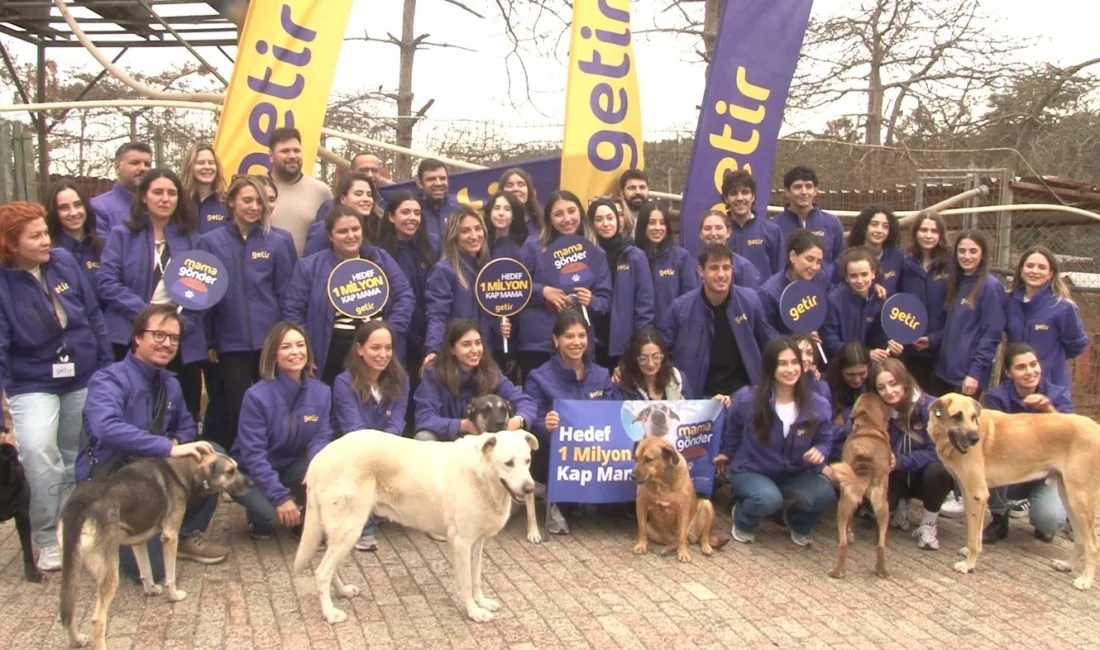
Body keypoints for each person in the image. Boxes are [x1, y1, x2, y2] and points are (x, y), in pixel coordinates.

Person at [0, 201, 112, 572]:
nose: (47, 240)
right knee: (37, 452)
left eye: (45, 231)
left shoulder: (63, 261)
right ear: (11, 244)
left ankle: (70, 529)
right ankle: (45, 536)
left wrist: (106, 367)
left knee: (71, 456)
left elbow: (92, 314)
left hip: (80, 372)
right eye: (35, 236)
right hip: (32, 381)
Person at [79, 305, 230, 580]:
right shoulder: (108, 379)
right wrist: (168, 448)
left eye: (173, 338)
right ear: (137, 337)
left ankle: (183, 532)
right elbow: (106, 427)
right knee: (152, 573)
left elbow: (186, 426)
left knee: (213, 454)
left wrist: (177, 442)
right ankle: (104, 530)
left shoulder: (169, 383)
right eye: (159, 335)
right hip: (115, 482)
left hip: (155, 476)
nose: (167, 344)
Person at [97, 168, 206, 421]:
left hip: (181, 337)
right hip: (130, 332)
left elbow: (203, 291)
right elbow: (108, 282)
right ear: (144, 197)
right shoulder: (122, 236)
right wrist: (147, 316)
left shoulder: (193, 241)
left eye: (172, 193)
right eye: (157, 192)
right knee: (131, 409)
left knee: (183, 410)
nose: (165, 199)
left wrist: (178, 324)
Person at [198, 176, 297, 450]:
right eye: (247, 200)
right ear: (231, 202)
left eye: (259, 202)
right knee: (238, 409)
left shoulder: (279, 241)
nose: (254, 207)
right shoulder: (210, 242)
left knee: (275, 405)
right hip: (230, 343)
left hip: (270, 342)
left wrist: (286, 337)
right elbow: (203, 295)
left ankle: (274, 464)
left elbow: (288, 292)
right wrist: (208, 340)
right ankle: (243, 464)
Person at [716, 336, 836, 546]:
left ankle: (797, 522)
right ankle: (743, 518)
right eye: (782, 363)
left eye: (794, 362)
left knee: (826, 493)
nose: (790, 369)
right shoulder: (748, 399)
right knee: (767, 499)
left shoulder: (819, 405)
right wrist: (728, 452)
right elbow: (733, 425)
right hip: (752, 469)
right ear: (771, 367)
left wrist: (820, 450)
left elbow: (826, 438)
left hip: (795, 472)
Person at [283, 205, 415, 384]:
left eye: (355, 229)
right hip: (331, 350)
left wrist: (391, 331)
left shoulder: (380, 258)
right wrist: (305, 349)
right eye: (343, 231)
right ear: (330, 235)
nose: (351, 236)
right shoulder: (308, 267)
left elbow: (405, 295)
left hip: (378, 347)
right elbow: (293, 311)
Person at [231, 322, 332, 539]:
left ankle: (302, 513)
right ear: (273, 355)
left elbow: (321, 436)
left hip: (293, 467)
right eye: (286, 347)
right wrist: (279, 498)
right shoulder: (256, 396)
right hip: (252, 472)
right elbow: (253, 455)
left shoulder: (322, 393)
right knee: (270, 520)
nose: (295, 352)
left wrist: (316, 465)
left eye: (300, 345)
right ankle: (261, 513)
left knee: (326, 462)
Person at [525, 309, 614, 535]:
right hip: (555, 455)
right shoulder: (538, 377)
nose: (577, 342)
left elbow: (614, 414)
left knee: (616, 509)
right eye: (569, 336)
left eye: (582, 336)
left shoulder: (602, 375)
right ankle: (552, 497)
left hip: (596, 454)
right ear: (556, 340)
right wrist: (544, 425)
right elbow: (531, 417)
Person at [658, 244, 776, 399]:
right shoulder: (680, 309)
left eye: (726, 267)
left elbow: (769, 342)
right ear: (701, 271)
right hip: (698, 396)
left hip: (744, 391)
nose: (721, 274)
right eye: (714, 268)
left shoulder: (750, 301)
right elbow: (660, 351)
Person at [981, 343, 1072, 544]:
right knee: (989, 462)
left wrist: (1048, 409)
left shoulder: (1058, 394)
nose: (1030, 372)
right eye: (1021, 367)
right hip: (1009, 469)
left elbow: (1067, 437)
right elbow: (994, 441)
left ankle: (1048, 516)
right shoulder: (997, 397)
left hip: (1046, 471)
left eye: (1033, 364)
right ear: (1008, 372)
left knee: (1049, 523)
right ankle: (999, 518)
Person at [514, 191, 611, 376]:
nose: (567, 219)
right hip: (537, 344)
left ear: (580, 214)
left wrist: (591, 301)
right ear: (549, 219)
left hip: (578, 345)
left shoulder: (595, 254)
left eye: (571, 211)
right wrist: (542, 291)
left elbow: (605, 301)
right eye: (558, 214)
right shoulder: (533, 248)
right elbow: (512, 288)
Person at [331, 320, 409, 551]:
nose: (383, 354)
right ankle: (363, 527)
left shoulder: (401, 379)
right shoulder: (343, 382)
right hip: (355, 450)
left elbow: (397, 421)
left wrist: (386, 450)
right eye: (375, 348)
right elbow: (353, 429)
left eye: (388, 348)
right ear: (359, 349)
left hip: (388, 447)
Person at [868, 358, 952, 551]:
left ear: (904, 381)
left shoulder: (932, 407)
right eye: (882, 387)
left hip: (924, 477)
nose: (889, 391)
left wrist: (900, 461)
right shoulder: (879, 410)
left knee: (938, 470)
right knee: (877, 504)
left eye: (893, 383)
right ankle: (899, 507)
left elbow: (939, 452)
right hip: (895, 475)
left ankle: (929, 524)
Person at [413, 319, 535, 441]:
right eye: (466, 344)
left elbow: (525, 401)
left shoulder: (491, 372)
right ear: (452, 349)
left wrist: (519, 419)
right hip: (446, 443)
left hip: (484, 444)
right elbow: (424, 418)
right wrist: (461, 425)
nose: (475, 350)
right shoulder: (434, 374)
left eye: (478, 343)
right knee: (423, 437)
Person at [918, 230, 1005, 399]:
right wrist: (932, 340)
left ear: (982, 255)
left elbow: (991, 336)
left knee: (958, 425)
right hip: (943, 371)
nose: (967, 256)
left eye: (973, 251)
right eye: (962, 251)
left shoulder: (990, 287)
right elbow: (956, 326)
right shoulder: (956, 281)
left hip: (966, 377)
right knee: (936, 416)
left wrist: (975, 374)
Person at [1003, 246, 1088, 389]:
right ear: (1021, 271)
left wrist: (1052, 362)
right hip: (1014, 386)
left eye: (1041, 267)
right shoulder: (1008, 301)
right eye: (1030, 266)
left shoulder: (1063, 307)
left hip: (1051, 385)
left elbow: (1076, 346)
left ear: (1050, 274)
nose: (1035, 271)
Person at [423, 206, 495, 372]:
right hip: (456, 359)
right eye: (465, 231)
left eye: (478, 229)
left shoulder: (487, 268)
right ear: (454, 236)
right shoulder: (443, 270)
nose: (474, 236)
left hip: (485, 357)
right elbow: (437, 316)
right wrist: (433, 349)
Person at [376, 190, 439, 376]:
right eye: (405, 212)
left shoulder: (432, 246)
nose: (412, 218)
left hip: (429, 331)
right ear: (390, 217)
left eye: (417, 213)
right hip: (398, 334)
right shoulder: (378, 254)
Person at [587, 197, 654, 369]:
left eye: (610, 218)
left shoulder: (635, 256)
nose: (605, 223)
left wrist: (640, 342)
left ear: (618, 220)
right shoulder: (585, 255)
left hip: (625, 343)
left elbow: (644, 304)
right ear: (591, 223)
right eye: (599, 219)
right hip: (592, 339)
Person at [898, 213, 951, 392]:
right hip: (912, 349)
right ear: (915, 233)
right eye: (924, 230)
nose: (928, 235)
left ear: (941, 235)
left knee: (939, 404)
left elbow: (957, 312)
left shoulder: (951, 266)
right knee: (916, 399)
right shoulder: (905, 265)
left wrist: (934, 339)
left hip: (943, 348)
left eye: (934, 231)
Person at [267, 127, 333, 256]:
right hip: (264, 272)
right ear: (271, 156)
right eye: (285, 151)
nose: (292, 156)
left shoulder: (321, 191)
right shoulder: (256, 188)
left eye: (296, 150)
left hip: (307, 272)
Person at [820, 247, 892, 362]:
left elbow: (880, 338)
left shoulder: (879, 299)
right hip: (840, 364)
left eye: (864, 274)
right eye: (853, 276)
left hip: (870, 365)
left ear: (873, 274)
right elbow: (831, 343)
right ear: (846, 277)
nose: (859, 280)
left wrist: (889, 346)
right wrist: (866, 354)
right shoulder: (833, 301)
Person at [633, 201, 698, 319]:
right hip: (641, 332)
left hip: (672, 333)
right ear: (643, 225)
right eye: (652, 223)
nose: (658, 228)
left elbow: (690, 299)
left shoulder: (681, 257)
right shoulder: (632, 257)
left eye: (662, 223)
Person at [758, 230, 828, 337]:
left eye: (818, 262)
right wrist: (797, 342)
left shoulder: (821, 278)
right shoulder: (769, 293)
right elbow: (766, 334)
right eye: (809, 259)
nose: (814, 267)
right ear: (793, 256)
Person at [772, 166, 845, 267]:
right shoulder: (774, 226)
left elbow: (840, 262)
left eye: (808, 186)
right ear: (787, 192)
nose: (804, 192)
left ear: (815, 191)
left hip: (823, 283)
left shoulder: (832, 223)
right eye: (798, 187)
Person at [44, 179, 103, 297]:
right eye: (64, 207)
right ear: (53, 212)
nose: (74, 212)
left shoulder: (103, 247)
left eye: (78, 205)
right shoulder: (48, 252)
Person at [304, 172, 383, 256]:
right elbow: (311, 264)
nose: (366, 199)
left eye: (369, 195)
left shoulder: (376, 225)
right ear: (342, 199)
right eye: (358, 194)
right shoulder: (322, 230)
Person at [722, 170, 785, 278]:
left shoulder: (772, 231)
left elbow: (780, 274)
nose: (740, 198)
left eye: (745, 192)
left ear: (753, 196)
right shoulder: (719, 232)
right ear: (725, 199)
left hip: (763, 295)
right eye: (733, 193)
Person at [90, 142, 152, 237]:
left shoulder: (159, 205)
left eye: (147, 164)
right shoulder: (98, 208)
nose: (143, 168)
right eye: (135, 163)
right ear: (117, 167)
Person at [824, 342, 870, 461]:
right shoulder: (825, 387)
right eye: (850, 374)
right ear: (840, 370)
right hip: (834, 453)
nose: (857, 380)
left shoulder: (873, 382)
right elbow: (821, 431)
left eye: (862, 373)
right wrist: (849, 426)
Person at [842, 205, 903, 295]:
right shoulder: (847, 257)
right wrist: (870, 287)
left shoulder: (897, 256)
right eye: (874, 224)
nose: (879, 230)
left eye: (885, 226)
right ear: (864, 227)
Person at [313, 153, 389, 221]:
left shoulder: (387, 205)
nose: (370, 175)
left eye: (374, 170)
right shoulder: (330, 208)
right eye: (363, 170)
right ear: (351, 172)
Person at [697, 210, 761, 289]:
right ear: (700, 234)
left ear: (728, 232)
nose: (713, 233)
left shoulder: (743, 267)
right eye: (707, 228)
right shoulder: (692, 266)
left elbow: (751, 298)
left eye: (719, 228)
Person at [180, 144, 228, 234]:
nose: (207, 167)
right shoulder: (179, 201)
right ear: (190, 167)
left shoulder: (227, 202)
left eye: (211, 163)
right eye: (200, 163)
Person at [416, 159, 459, 242]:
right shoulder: (411, 213)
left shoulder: (459, 210)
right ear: (420, 183)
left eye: (442, 178)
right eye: (431, 179)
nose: (438, 183)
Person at [483, 190, 530, 260]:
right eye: (497, 208)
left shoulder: (524, 246)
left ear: (514, 215)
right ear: (490, 212)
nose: (501, 213)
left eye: (507, 209)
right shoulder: (480, 242)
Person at [499, 167, 542, 233]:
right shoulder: (493, 225)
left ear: (529, 191)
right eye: (509, 185)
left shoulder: (542, 223)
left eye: (521, 184)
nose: (515, 189)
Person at [618, 169, 649, 235]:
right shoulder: (615, 220)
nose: (638, 192)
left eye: (642, 187)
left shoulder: (656, 217)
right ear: (622, 193)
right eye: (632, 188)